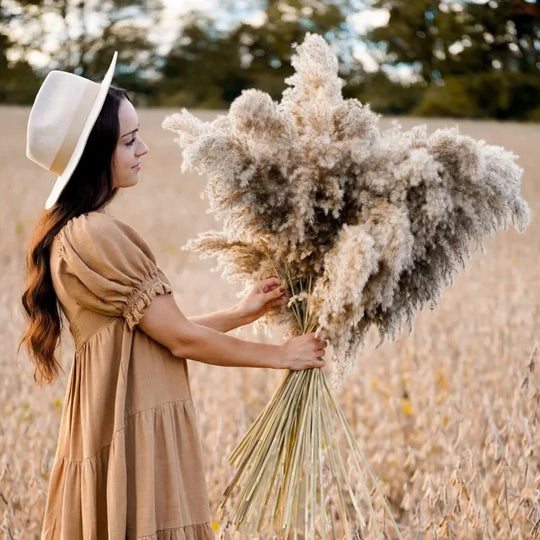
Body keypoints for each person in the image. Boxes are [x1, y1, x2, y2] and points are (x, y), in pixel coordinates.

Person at [18, 51, 328, 539]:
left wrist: (239, 313)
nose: (143, 149)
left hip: (116, 420)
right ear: (97, 153)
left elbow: (149, 337)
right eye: (129, 140)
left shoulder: (72, 233)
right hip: (131, 426)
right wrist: (281, 355)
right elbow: (181, 341)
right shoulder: (96, 234)